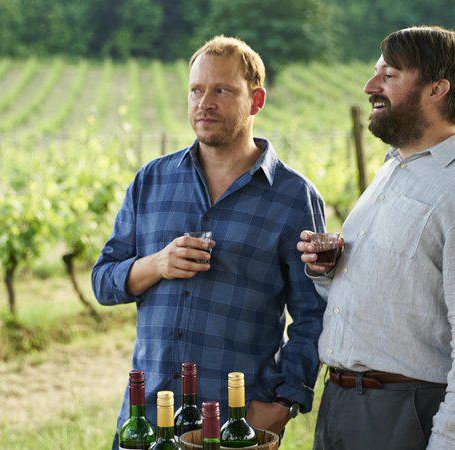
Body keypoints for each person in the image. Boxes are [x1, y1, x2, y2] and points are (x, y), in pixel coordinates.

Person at [298, 27, 455, 450]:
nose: (370, 87)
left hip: (408, 413)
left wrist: (453, 438)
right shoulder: (395, 167)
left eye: (389, 75)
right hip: (340, 404)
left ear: (437, 89)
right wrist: (326, 272)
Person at [92, 36, 326, 448]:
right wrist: (157, 264)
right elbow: (103, 282)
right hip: (146, 419)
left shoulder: (293, 198)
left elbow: (315, 313)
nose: (205, 103)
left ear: (256, 100)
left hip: (236, 426)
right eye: (196, 90)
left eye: (223, 90)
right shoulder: (152, 180)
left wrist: (284, 401)